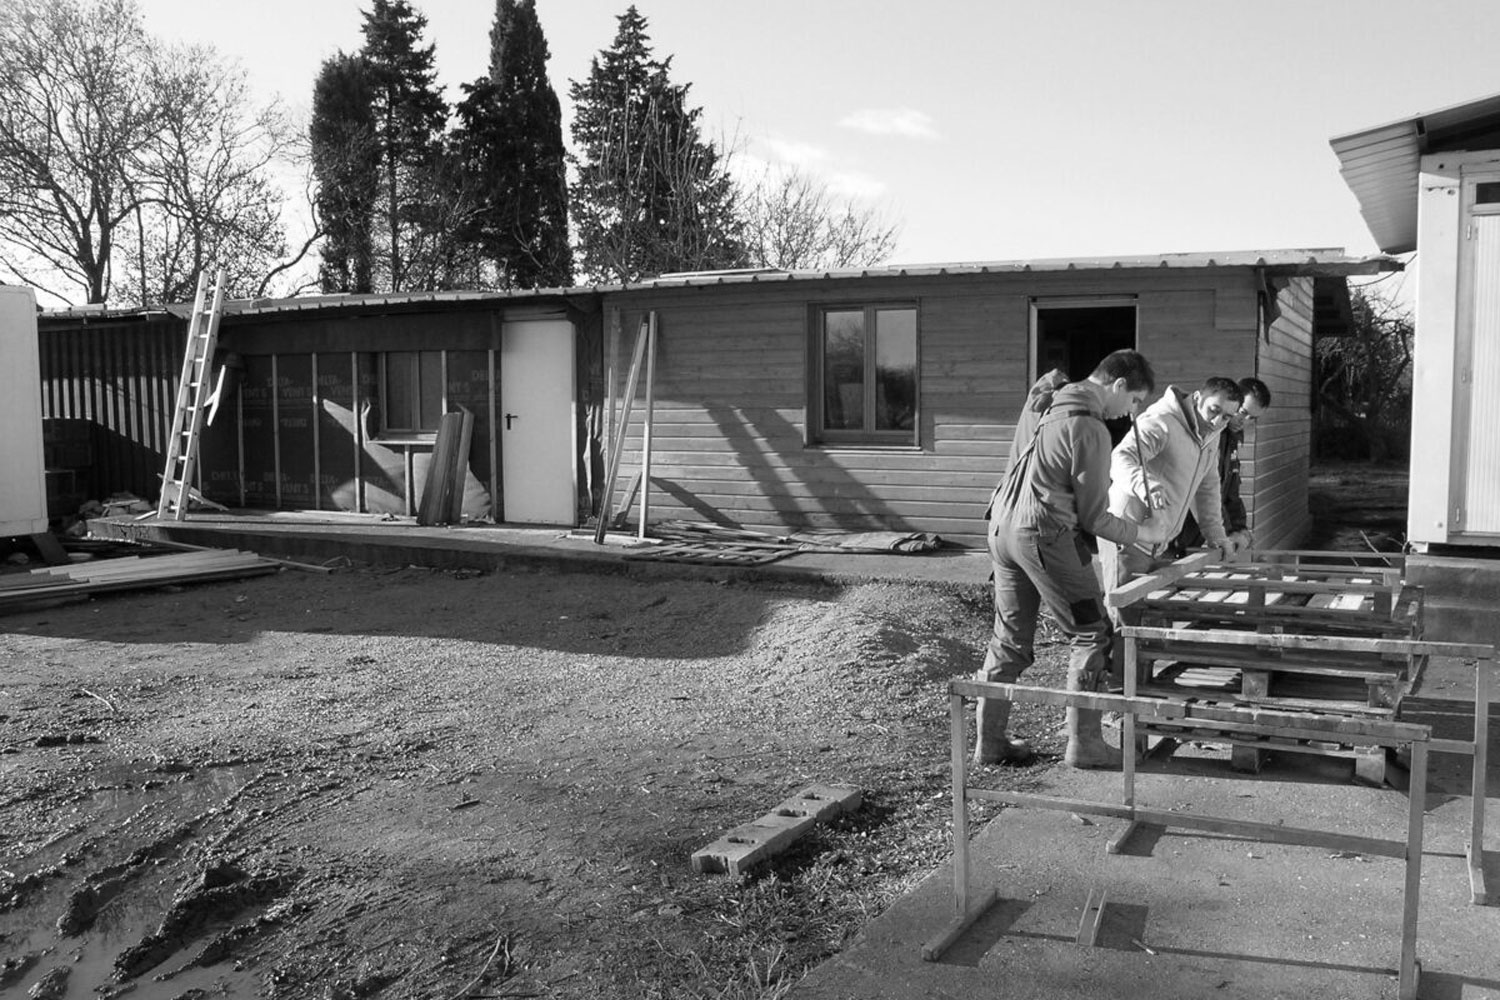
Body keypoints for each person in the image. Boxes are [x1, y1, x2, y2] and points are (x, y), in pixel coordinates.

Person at [974, 349, 1155, 770]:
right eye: (1133, 402)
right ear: (1118, 385)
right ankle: (1086, 745)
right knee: (1092, 631)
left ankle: (990, 742)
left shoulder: (1043, 399)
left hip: (1001, 528)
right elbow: (1094, 517)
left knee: (1009, 637)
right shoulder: (1089, 427)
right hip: (1044, 533)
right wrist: (1143, 532)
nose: (1129, 413)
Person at [1099, 377, 1245, 605]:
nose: (1217, 421)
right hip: (1128, 534)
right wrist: (1144, 484)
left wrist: (1216, 535)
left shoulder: (1211, 434)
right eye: (1213, 410)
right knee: (1124, 617)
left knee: (1146, 617)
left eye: (1226, 417)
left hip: (1159, 541)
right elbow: (1120, 457)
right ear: (1197, 398)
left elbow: (1207, 488)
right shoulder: (1162, 421)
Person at [1171, 377, 1272, 558]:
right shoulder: (1208, 436)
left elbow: (1230, 492)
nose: (1244, 420)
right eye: (1242, 412)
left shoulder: (1232, 440)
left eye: (1252, 418)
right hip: (1176, 532)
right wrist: (1228, 532)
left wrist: (1240, 528)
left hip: (1197, 536)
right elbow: (1203, 491)